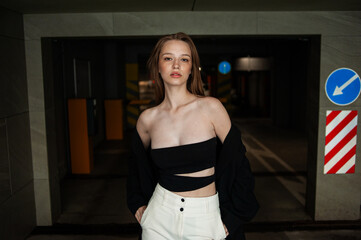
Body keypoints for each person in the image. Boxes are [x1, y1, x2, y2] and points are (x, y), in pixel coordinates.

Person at [127, 32, 258, 240]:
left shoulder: (211, 108)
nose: (176, 65)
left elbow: (239, 163)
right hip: (160, 217)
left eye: (184, 59)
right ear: (158, 66)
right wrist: (137, 203)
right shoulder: (147, 120)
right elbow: (136, 167)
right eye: (168, 58)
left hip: (205, 217)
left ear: (191, 68)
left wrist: (234, 216)